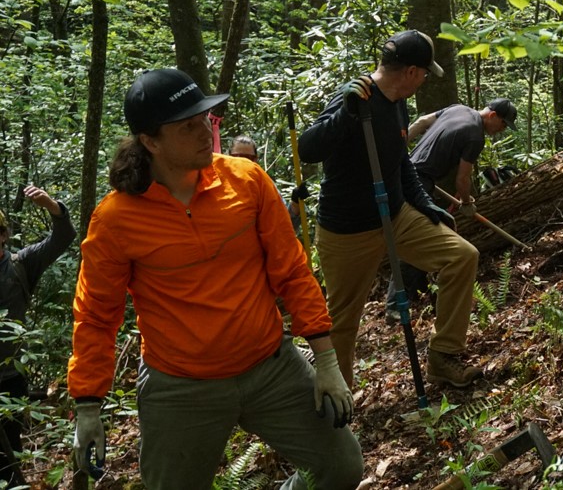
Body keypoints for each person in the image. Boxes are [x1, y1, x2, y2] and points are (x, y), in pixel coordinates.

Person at [68, 68, 362, 489]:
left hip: (270, 367)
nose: (205, 132)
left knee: (342, 468)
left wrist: (327, 360)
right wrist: (88, 406)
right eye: (188, 127)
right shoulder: (115, 220)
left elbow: (292, 270)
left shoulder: (246, 181)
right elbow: (96, 316)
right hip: (180, 386)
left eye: (205, 118)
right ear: (151, 142)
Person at [298, 29, 483, 389]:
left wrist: (426, 204)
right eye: (425, 72)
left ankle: (444, 355)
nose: (425, 79)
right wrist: (346, 115)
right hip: (347, 229)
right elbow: (308, 148)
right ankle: (340, 402)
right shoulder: (355, 98)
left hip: (396, 216)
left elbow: (401, 163)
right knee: (343, 322)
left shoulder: (398, 102)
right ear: (412, 72)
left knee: (462, 256)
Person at [385, 98, 518, 322]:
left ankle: (420, 294)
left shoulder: (458, 108)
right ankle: (397, 305)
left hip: (406, 173)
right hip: (417, 182)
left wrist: (400, 150)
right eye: (504, 124)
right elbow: (462, 179)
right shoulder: (476, 136)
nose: (502, 131)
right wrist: (467, 203)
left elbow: (422, 121)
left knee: (428, 233)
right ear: (493, 116)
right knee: (425, 238)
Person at [0, 186, 75, 484]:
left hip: (10, 380)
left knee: (9, 457)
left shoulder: (21, 264)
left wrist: (52, 205)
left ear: (3, 235)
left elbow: (63, 238)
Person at [227, 135, 311, 232]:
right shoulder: (217, 181)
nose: (242, 162)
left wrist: (296, 203)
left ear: (255, 159)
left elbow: (284, 225)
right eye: (237, 157)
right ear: (228, 156)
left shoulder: (264, 185)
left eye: (248, 158)